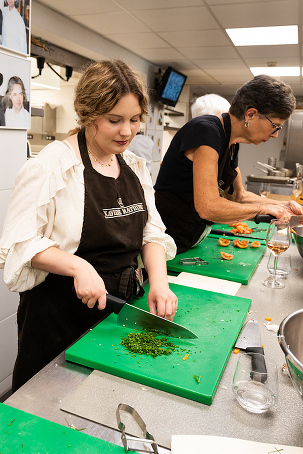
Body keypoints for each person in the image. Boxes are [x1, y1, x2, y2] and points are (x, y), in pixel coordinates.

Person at [0, 59, 178, 391]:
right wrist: (77, 265)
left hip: (115, 314)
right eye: (115, 120)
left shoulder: (133, 167)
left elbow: (151, 232)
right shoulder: (51, 166)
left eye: (134, 120)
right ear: (88, 113)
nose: (127, 131)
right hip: (57, 319)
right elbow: (17, 244)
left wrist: (159, 282)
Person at [154, 74, 303, 254]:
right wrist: (264, 208)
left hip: (191, 239)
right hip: (165, 242)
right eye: (275, 126)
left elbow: (239, 195)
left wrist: (283, 206)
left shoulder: (231, 142)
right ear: (251, 114)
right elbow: (208, 207)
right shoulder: (206, 131)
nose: (275, 134)